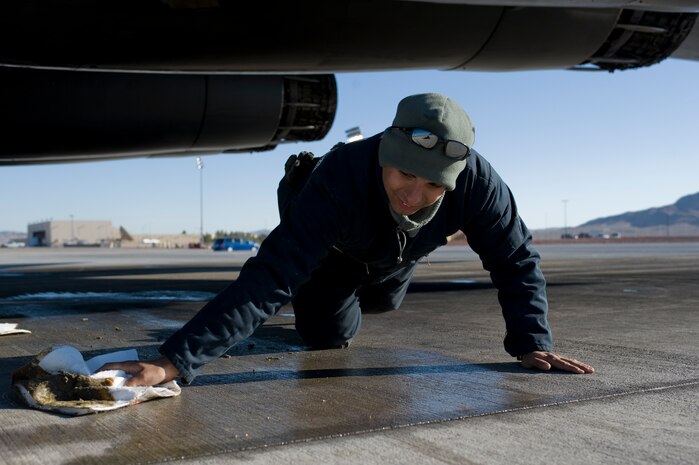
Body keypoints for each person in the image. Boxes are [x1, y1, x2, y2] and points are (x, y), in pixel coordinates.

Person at [103, 93, 594, 386]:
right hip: (334, 254)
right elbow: (270, 274)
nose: (414, 194)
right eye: (405, 174)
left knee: (383, 300)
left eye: (434, 186)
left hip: (396, 256)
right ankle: (321, 300)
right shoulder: (340, 179)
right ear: (387, 152)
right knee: (327, 336)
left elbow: (515, 260)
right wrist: (174, 361)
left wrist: (531, 342)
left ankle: (378, 283)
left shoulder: (480, 185)